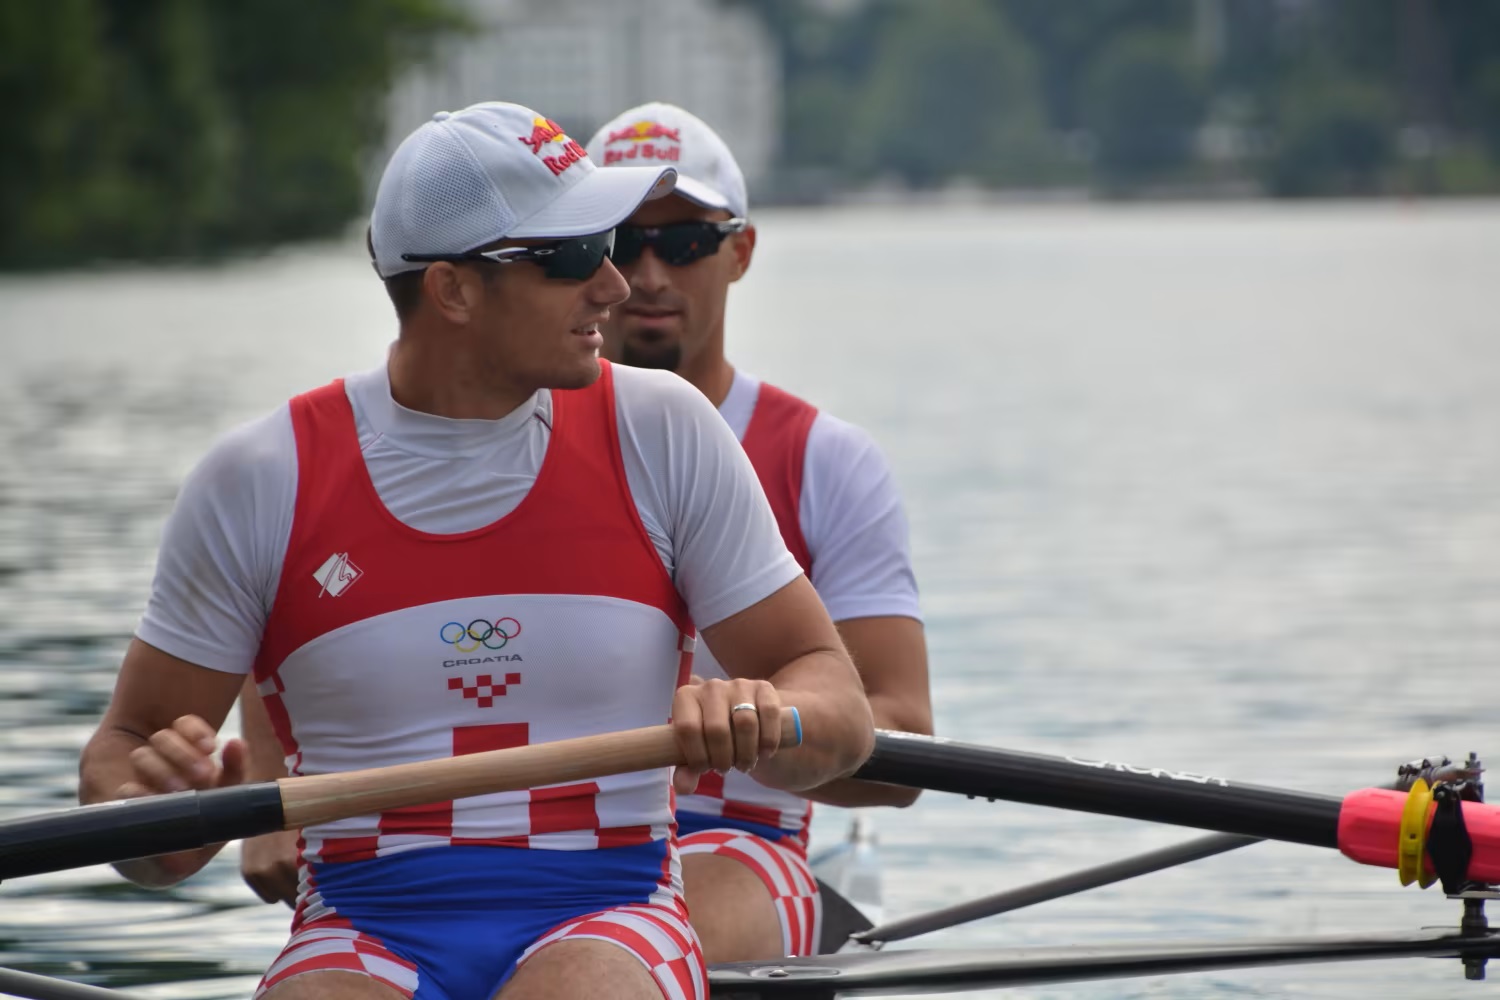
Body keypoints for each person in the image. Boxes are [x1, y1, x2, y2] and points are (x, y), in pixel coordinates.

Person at [78, 101, 875, 1000]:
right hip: (357, 927)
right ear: (453, 291)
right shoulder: (259, 478)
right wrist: (155, 826)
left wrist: (769, 717)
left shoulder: (662, 431)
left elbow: (838, 706)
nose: (614, 287)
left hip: (610, 911)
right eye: (574, 256)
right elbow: (125, 759)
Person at [589, 102, 933, 962]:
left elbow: (903, 745)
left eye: (687, 244)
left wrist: (759, 723)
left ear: (739, 252)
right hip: (537, 848)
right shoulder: (506, 438)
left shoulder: (825, 461)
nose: (652, 274)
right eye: (623, 243)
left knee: (640, 951)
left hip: (734, 844)